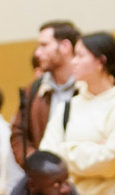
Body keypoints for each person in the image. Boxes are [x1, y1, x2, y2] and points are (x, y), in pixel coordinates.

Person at [39, 32, 115, 195]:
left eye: (80, 56)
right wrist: (96, 149)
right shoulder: (67, 107)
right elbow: (47, 159)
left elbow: (112, 161)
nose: (73, 62)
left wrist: (65, 150)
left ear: (100, 62)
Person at [11, 21, 80, 168]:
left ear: (65, 46)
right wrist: (36, 162)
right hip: (46, 181)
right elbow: (18, 133)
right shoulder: (35, 89)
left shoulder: (88, 86)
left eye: (44, 45)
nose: (37, 53)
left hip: (85, 178)